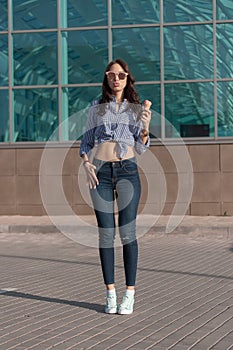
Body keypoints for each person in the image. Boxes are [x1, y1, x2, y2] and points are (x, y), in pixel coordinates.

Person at [80, 58, 151, 315]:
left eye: (120, 75)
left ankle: (129, 293)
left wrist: (145, 127)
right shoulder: (96, 107)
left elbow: (141, 146)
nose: (116, 79)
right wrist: (86, 163)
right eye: (111, 75)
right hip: (100, 173)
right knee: (106, 234)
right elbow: (86, 141)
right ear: (107, 78)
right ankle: (110, 292)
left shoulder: (135, 109)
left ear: (127, 78)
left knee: (128, 233)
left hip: (128, 171)